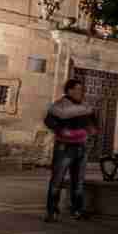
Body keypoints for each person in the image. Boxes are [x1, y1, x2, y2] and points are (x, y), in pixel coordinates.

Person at [43, 79, 97, 222]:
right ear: (69, 90)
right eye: (78, 89)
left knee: (78, 181)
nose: (81, 92)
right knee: (57, 180)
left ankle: (77, 210)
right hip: (64, 147)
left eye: (82, 89)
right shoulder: (59, 106)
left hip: (81, 147)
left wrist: (92, 130)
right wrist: (61, 130)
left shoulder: (86, 107)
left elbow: (93, 123)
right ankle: (52, 212)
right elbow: (48, 121)